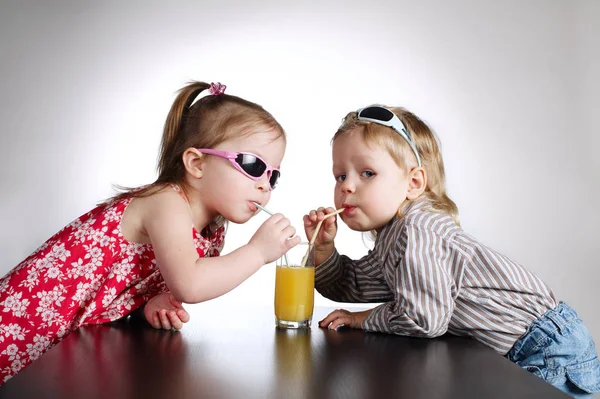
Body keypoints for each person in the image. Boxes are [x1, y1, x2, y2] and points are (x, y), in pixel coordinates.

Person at [0, 81, 300, 384]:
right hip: (16, 328)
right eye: (252, 164)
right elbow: (191, 285)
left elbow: (124, 281)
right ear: (196, 163)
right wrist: (257, 252)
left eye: (273, 175)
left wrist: (145, 305)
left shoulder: (212, 228)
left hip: (62, 343)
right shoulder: (167, 204)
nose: (264, 184)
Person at [304, 105, 600, 397]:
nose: (347, 186)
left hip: (547, 350)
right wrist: (325, 249)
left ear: (414, 182)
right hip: (527, 350)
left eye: (367, 172)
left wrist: (362, 318)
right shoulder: (394, 238)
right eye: (340, 176)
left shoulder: (417, 230)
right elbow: (351, 285)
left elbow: (422, 319)